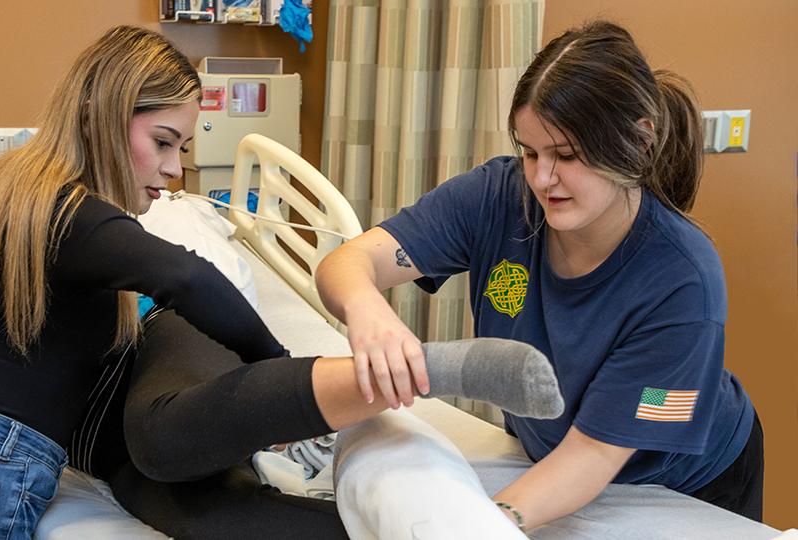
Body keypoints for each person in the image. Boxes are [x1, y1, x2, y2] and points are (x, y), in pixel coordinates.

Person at [0, 26, 563, 539]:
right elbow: (187, 275)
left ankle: (411, 370)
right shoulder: (77, 216)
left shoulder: (11, 190)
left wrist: (283, 385)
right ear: (103, 114)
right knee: (179, 495)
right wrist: (275, 366)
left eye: (182, 150)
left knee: (165, 439)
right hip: (11, 455)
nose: (173, 172)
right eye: (164, 143)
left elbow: (191, 285)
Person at [315, 20, 762, 533]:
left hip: (684, 479)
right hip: (559, 454)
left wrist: (485, 523)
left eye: (567, 156)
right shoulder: (498, 198)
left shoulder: (682, 281)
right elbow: (347, 262)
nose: (542, 179)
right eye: (530, 152)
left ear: (638, 142)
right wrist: (367, 310)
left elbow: (593, 453)